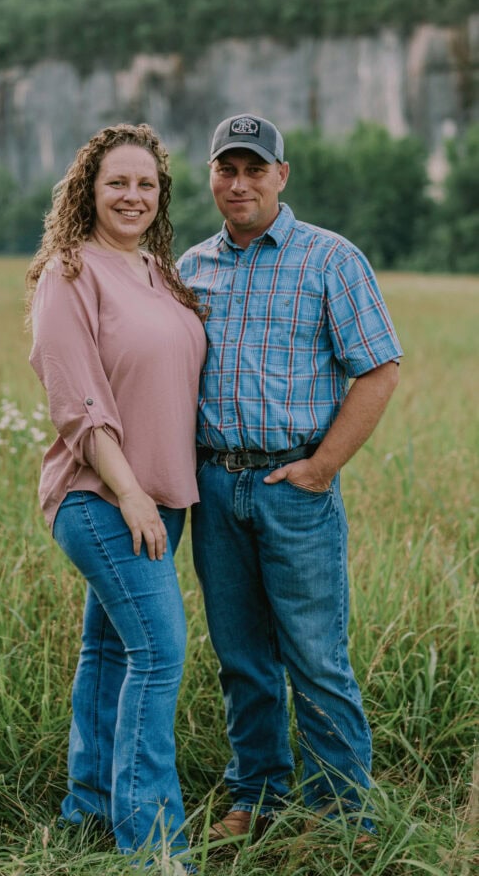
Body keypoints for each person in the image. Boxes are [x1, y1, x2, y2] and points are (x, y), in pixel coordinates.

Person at [177, 112, 402, 842]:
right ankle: (258, 797)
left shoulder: (330, 259)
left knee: (314, 655)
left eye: (253, 169)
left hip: (293, 488)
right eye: (225, 169)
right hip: (215, 486)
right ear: (212, 176)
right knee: (241, 656)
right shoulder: (191, 268)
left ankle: (343, 813)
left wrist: (322, 466)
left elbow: (378, 366)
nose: (238, 183)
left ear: (281, 176)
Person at [26, 123, 206, 863]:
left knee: (109, 650)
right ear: (88, 190)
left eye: (146, 184)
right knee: (160, 654)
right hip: (100, 497)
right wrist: (129, 492)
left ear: (161, 195)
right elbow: (78, 402)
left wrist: (157, 495)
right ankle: (155, 845)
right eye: (117, 182)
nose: (132, 195)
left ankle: (88, 808)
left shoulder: (159, 272)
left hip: (163, 495)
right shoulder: (70, 272)